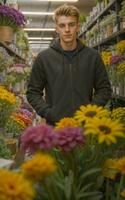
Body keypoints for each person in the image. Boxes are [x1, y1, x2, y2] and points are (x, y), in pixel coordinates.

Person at [26, 4, 112, 126]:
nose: (67, 30)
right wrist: (48, 113)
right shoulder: (44, 58)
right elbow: (33, 92)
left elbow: (104, 89)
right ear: (57, 28)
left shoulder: (93, 57)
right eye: (62, 25)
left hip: (86, 126)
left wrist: (91, 111)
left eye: (71, 24)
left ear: (78, 27)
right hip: (55, 126)